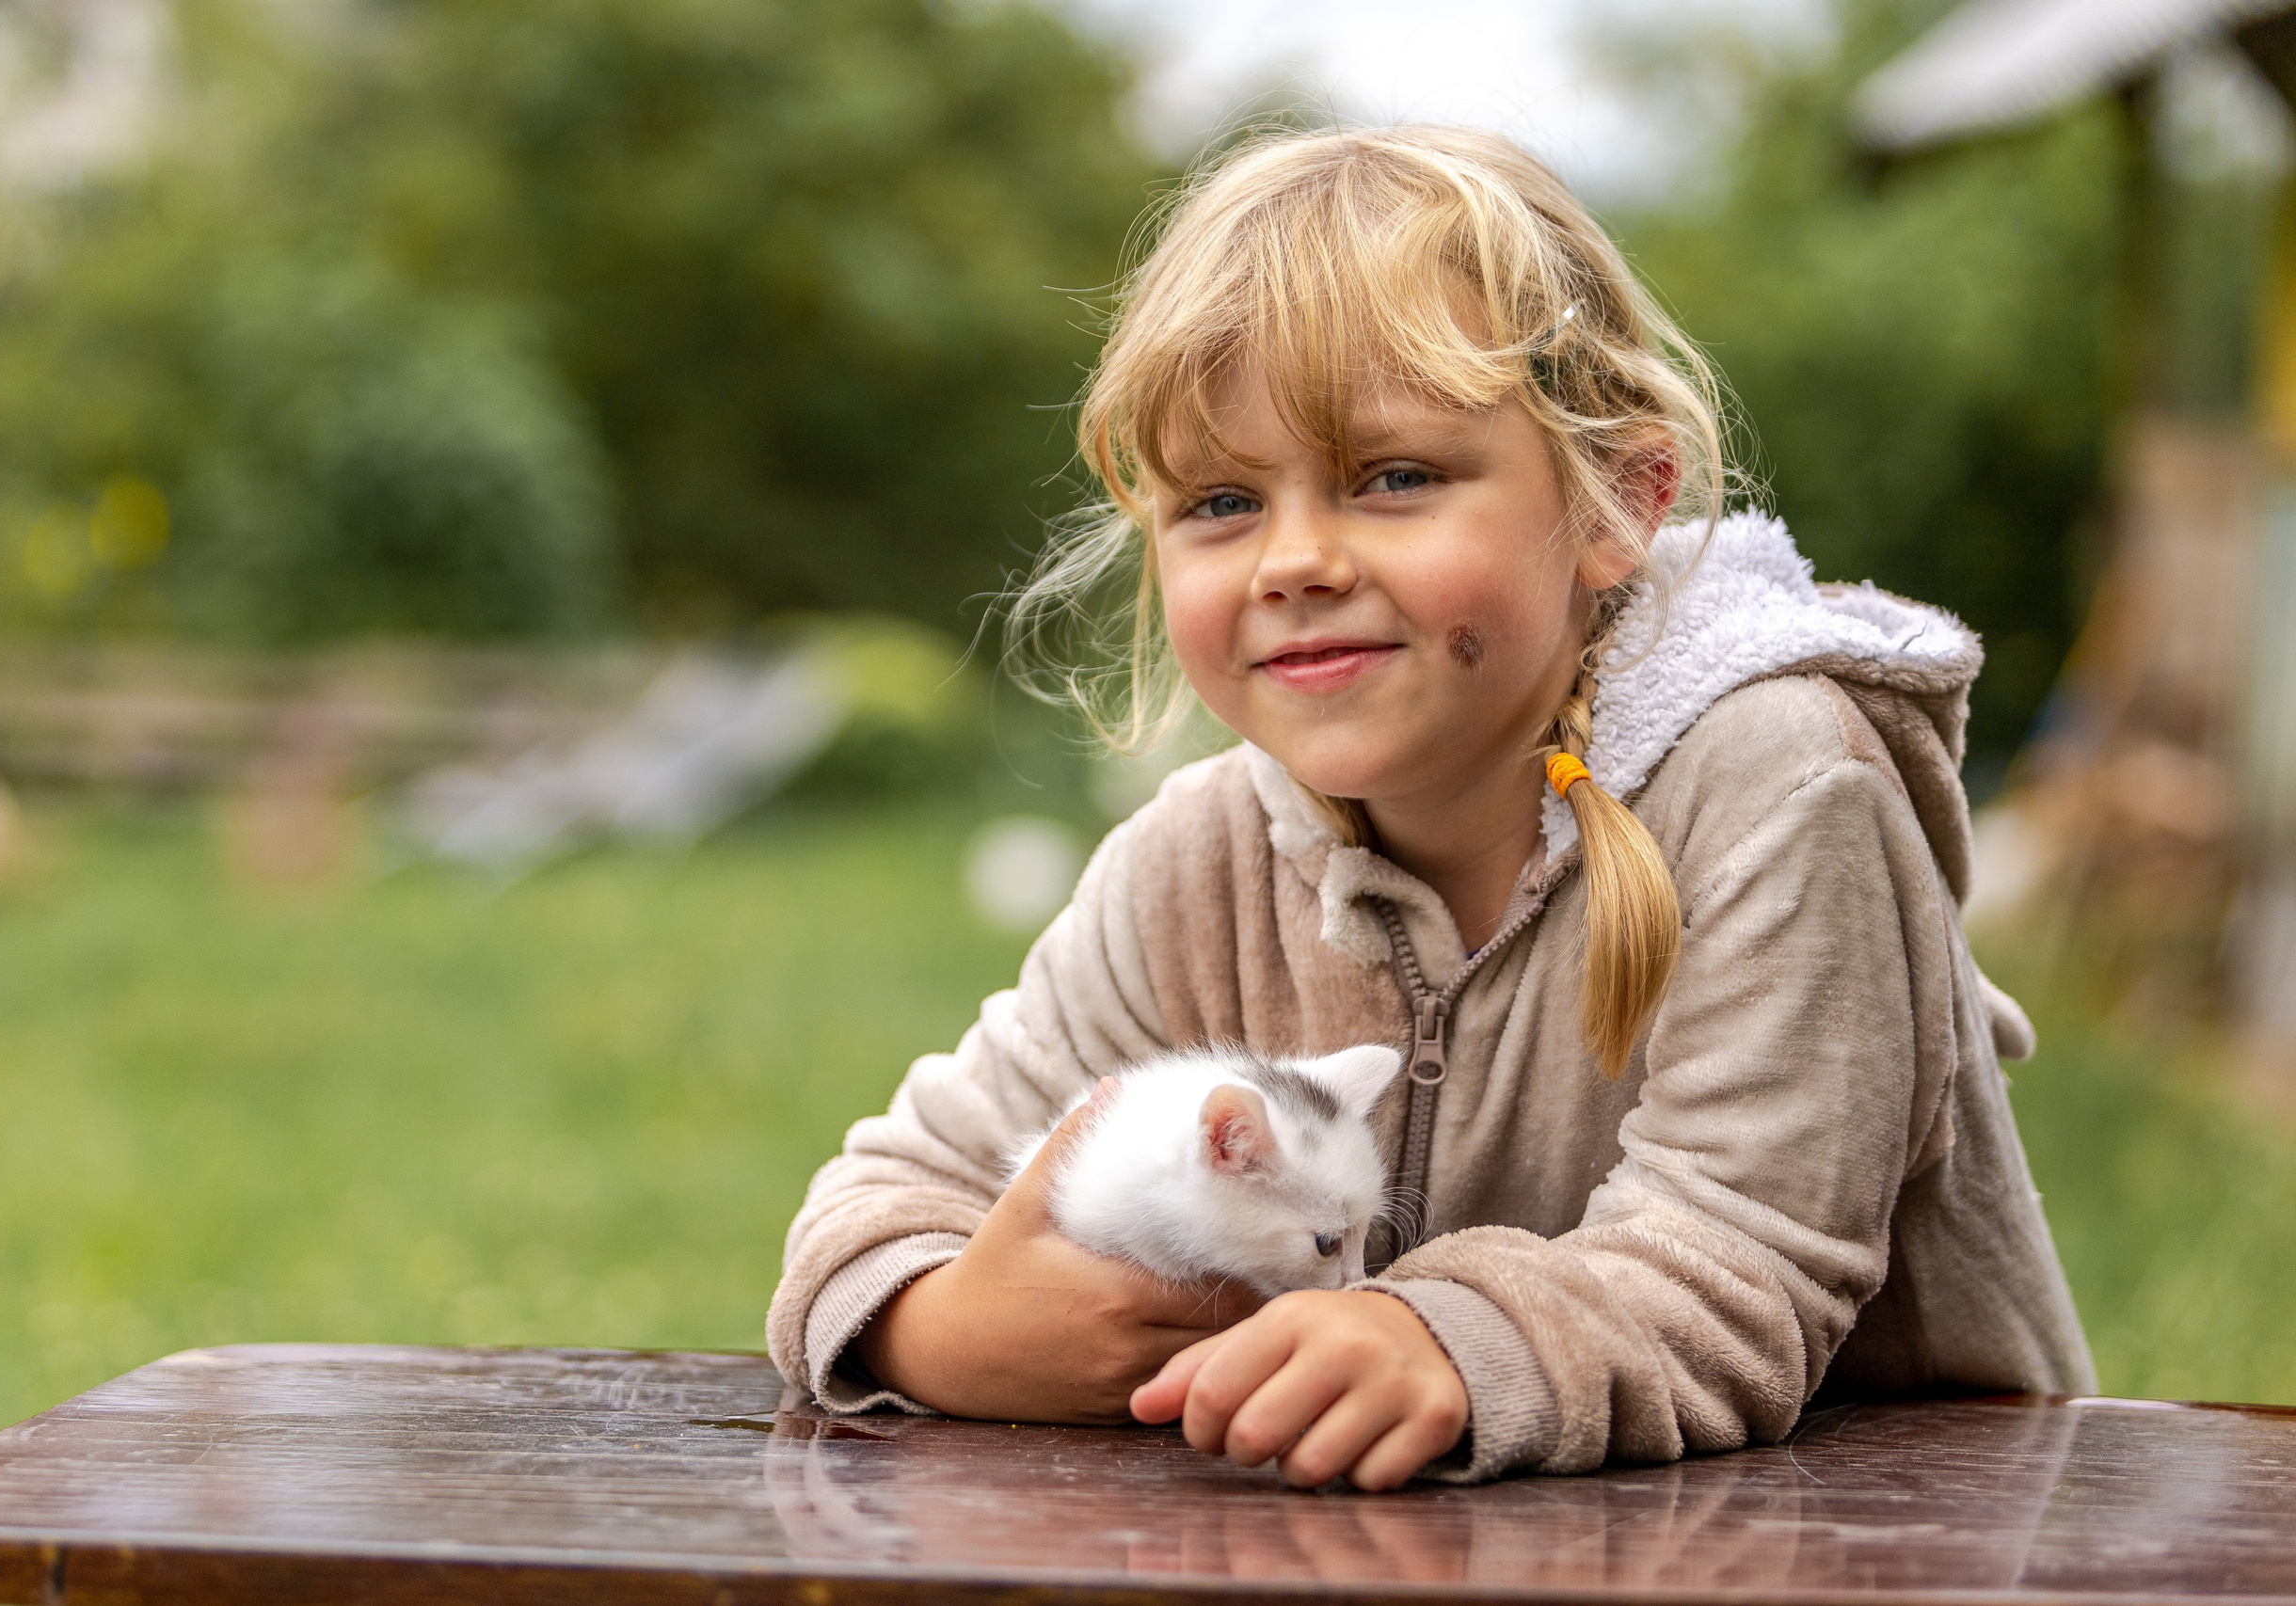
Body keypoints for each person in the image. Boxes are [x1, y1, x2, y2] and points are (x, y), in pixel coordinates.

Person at [764, 124, 2095, 1491]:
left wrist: (1442, 1339)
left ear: (1617, 503)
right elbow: (886, 1200)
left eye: (1393, 477)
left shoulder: (1778, 785)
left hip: (1882, 1545)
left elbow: (1738, 1269)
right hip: (1390, 1554)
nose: (1295, 560)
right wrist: (939, 1330)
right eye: (1221, 502)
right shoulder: (1196, 862)